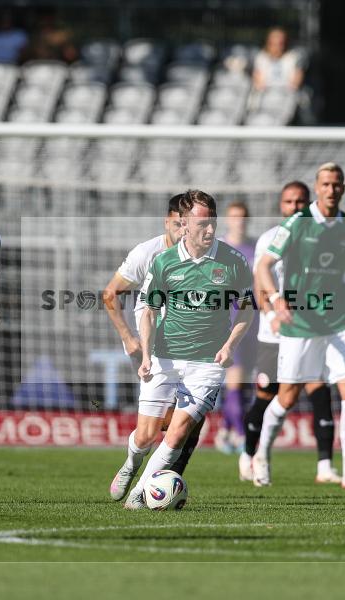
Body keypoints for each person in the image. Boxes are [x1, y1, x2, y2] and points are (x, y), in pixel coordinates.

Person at [117, 190, 254, 509]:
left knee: (177, 433)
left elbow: (246, 309)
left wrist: (230, 346)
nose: (209, 229)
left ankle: (139, 495)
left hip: (208, 363)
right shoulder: (164, 262)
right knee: (145, 436)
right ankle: (132, 461)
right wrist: (147, 354)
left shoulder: (233, 261)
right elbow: (149, 310)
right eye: (201, 223)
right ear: (185, 224)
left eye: (213, 223)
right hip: (164, 357)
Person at [253, 163, 345, 489]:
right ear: (317, 187)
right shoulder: (297, 224)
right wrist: (277, 300)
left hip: (338, 319)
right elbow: (264, 265)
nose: (331, 189)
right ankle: (261, 454)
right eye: (325, 184)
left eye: (337, 184)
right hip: (301, 321)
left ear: (343, 188)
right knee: (288, 396)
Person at [239, 181, 341, 485]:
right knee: (266, 395)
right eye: (289, 202)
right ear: (281, 206)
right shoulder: (270, 239)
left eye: (300, 202)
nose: (295, 207)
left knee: (319, 390)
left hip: (310, 329)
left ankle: (325, 466)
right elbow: (260, 282)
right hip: (275, 334)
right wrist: (271, 313)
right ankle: (248, 455)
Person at [103, 195, 204, 500]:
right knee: (149, 433)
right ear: (168, 222)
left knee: (186, 422)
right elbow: (110, 294)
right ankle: (132, 464)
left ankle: (159, 483)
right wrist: (129, 339)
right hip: (154, 350)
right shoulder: (146, 253)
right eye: (177, 224)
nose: (183, 231)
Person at [216, 201, 257, 454]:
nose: (239, 221)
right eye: (234, 217)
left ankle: (225, 427)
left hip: (254, 322)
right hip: (228, 322)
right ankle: (242, 437)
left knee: (244, 383)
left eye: (243, 217)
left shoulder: (255, 248)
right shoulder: (219, 248)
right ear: (228, 220)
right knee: (235, 380)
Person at [252, 27, 305, 91]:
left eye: (280, 44)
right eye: (273, 44)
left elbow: (296, 82)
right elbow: (258, 83)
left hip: (288, 95)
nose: (277, 48)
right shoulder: (261, 58)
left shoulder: (293, 58)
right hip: (266, 95)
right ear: (268, 43)